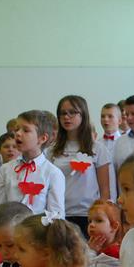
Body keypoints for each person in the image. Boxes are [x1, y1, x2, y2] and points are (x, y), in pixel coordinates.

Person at [49, 95, 110, 238]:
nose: (66, 117)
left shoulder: (98, 148)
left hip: (87, 214)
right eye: (63, 113)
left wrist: (100, 215)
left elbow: (105, 189)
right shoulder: (51, 151)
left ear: (83, 114)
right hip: (59, 213)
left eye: (72, 112)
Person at [0, 110, 65, 216]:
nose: (18, 133)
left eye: (26, 130)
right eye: (17, 129)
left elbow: (56, 215)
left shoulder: (53, 173)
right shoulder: (4, 170)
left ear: (42, 138)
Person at [97, 105, 121, 200]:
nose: (106, 119)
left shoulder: (123, 143)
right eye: (103, 116)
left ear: (119, 120)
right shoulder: (96, 145)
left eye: (110, 116)